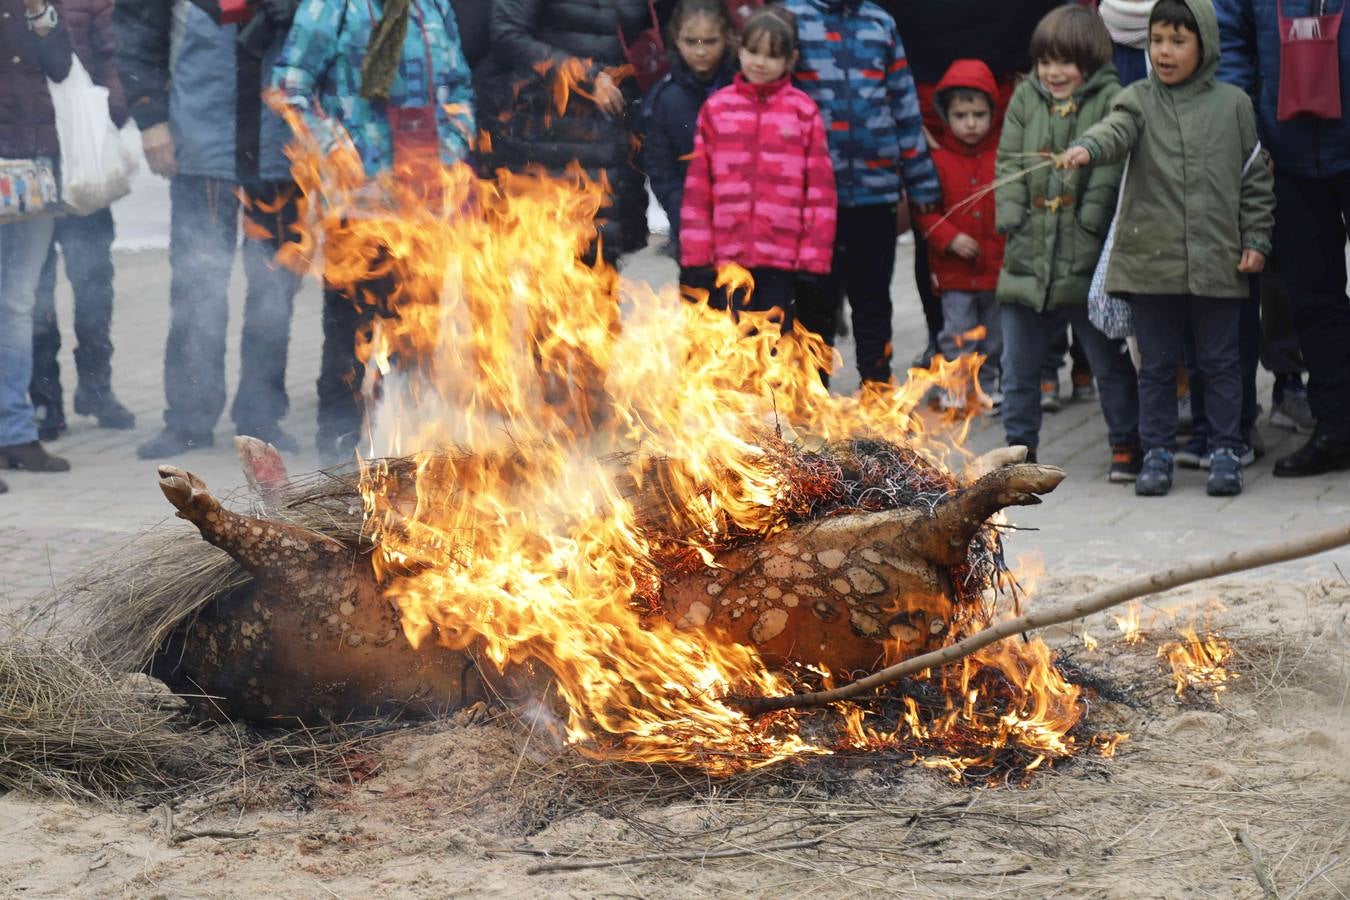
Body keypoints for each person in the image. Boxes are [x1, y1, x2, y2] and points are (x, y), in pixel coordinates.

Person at [1064, 0, 1275, 497]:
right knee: (1156, 365)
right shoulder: (1136, 99)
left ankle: (1226, 448)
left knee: (1221, 363)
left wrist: (1257, 239)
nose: (1164, 51)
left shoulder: (1234, 105)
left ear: (1205, 45)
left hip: (1218, 261)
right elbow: (1115, 131)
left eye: (1178, 41)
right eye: (1157, 40)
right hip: (1150, 264)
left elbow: (1255, 182)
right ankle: (1155, 452)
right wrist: (1088, 147)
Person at [273, 0, 476, 464]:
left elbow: (458, 85)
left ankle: (408, 445)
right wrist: (344, 156)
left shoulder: (432, 6)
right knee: (351, 330)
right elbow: (289, 87)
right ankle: (340, 450)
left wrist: (447, 150)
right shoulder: (331, 7)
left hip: (425, 201)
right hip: (358, 205)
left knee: (418, 330)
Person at [116, 0, 305, 458]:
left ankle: (261, 417)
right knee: (196, 291)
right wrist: (151, 119)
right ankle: (188, 419)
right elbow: (137, 39)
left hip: (280, 152)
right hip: (201, 148)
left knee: (274, 292)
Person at [995, 4, 1141, 479]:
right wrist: (1012, 217)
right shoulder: (1024, 98)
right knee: (1018, 365)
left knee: (1107, 359)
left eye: (1065, 62)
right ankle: (1019, 452)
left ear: (1091, 62)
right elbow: (1009, 162)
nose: (1053, 72)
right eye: (1045, 61)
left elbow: (1109, 172)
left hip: (1085, 253)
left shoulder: (1110, 98)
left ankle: (1125, 442)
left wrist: (1087, 225)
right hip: (1027, 255)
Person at [877, 0, 1064, 369]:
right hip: (927, 83)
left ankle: (1012, 354)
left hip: (1002, 78)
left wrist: (1035, 57)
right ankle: (943, 342)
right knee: (934, 210)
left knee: (1011, 212)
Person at [1216, 0, 1350, 477]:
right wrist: (1253, 136)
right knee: (1312, 299)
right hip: (1286, 159)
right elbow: (1230, 44)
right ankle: (1336, 427)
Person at [785, 0, 941, 388]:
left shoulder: (880, 23)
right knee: (814, 303)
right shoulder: (792, 18)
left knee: (873, 301)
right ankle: (811, 396)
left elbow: (904, 106)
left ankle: (877, 390)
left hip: (875, 193)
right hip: (813, 198)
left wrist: (920, 182)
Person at [679, 5, 836, 322]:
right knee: (731, 350)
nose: (760, 63)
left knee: (774, 352)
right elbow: (698, 188)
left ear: (789, 61)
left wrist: (812, 258)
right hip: (727, 258)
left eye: (772, 55)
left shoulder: (802, 111)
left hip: (782, 260)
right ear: (740, 50)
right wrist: (696, 253)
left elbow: (819, 192)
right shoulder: (717, 109)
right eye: (753, 52)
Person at [28, 0, 134, 442]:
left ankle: (96, 386)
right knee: (35, 288)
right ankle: (44, 397)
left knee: (93, 282)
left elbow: (114, 53)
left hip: (82, 157)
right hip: (28, 153)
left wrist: (109, 109)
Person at [487, 0, 653, 266]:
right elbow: (509, 35)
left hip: (613, 139)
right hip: (551, 138)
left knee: (601, 267)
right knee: (554, 275)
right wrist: (586, 76)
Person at [0, 0, 74, 494]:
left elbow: (62, 65)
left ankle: (15, 433)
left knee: (19, 305)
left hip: (32, 170)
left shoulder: (33, 8)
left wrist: (40, 11)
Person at [914, 59, 1006, 412]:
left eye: (979, 114)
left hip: (995, 268)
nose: (970, 123)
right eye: (961, 115)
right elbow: (926, 213)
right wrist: (950, 238)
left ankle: (988, 383)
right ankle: (955, 384)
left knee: (995, 337)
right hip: (954, 270)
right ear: (947, 116)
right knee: (956, 333)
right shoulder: (938, 161)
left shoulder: (1001, 158)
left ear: (992, 114)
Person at [639, 0, 737, 263]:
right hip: (691, 225)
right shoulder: (664, 98)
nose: (701, 51)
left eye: (710, 41)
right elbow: (660, 167)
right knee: (699, 300)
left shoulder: (742, 87)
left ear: (727, 37)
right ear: (676, 40)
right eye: (691, 42)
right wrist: (680, 212)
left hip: (742, 226)